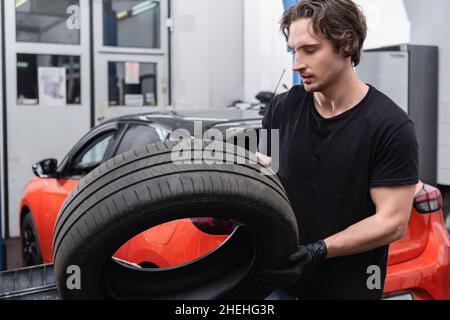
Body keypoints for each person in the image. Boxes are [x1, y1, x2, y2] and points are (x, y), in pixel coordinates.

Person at [257, 0, 419, 300]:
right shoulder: (282, 108)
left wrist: (317, 251)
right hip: (281, 284)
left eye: (310, 50)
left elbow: (391, 222)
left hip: (348, 290)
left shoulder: (390, 126)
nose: (296, 64)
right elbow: (267, 174)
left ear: (345, 44)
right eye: (294, 51)